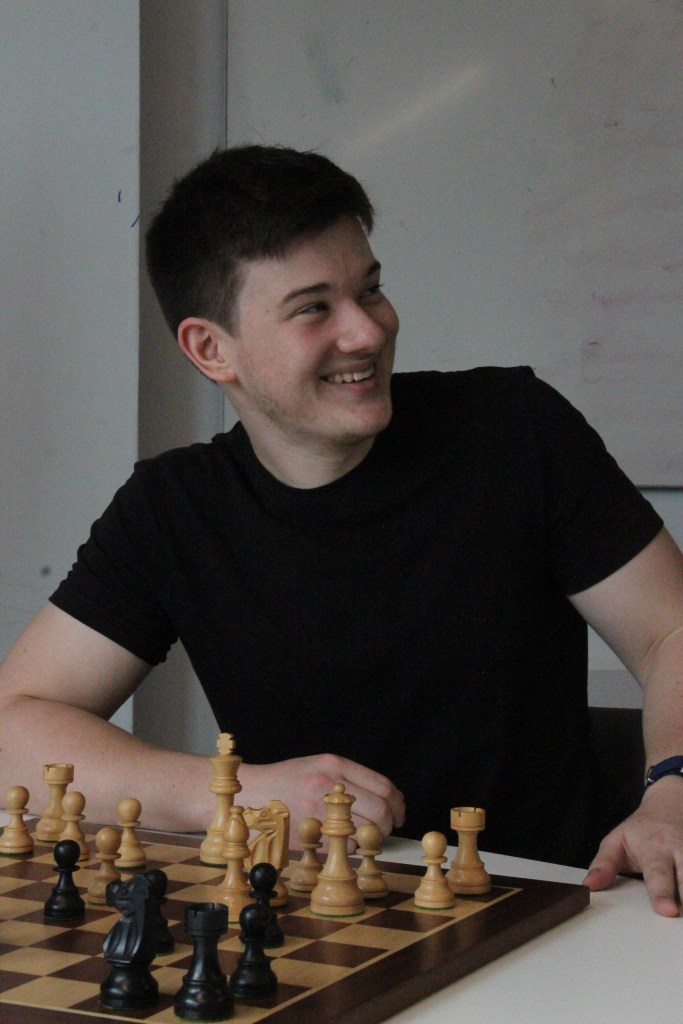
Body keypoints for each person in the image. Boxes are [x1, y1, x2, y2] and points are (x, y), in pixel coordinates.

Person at [1, 145, 682, 916]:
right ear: (210, 349)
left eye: (370, 290)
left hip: (551, 914)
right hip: (318, 928)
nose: (366, 331)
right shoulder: (172, 509)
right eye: (313, 309)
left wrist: (673, 784)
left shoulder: (515, 431)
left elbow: (669, 631)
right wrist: (233, 794)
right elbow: (14, 724)